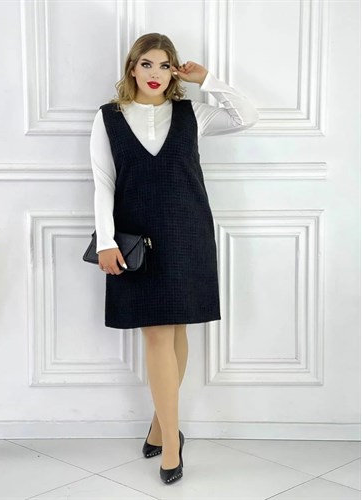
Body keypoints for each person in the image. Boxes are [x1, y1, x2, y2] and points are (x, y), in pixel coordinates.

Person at [89, 33, 259, 484]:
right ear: (132, 67)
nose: (155, 74)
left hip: (187, 233)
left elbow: (246, 116)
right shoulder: (108, 117)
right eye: (147, 64)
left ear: (174, 71)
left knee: (177, 329)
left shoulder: (192, 113)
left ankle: (161, 430)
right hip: (135, 239)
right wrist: (105, 241)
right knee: (158, 334)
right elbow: (103, 182)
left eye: (165, 66)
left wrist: (209, 80)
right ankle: (170, 443)